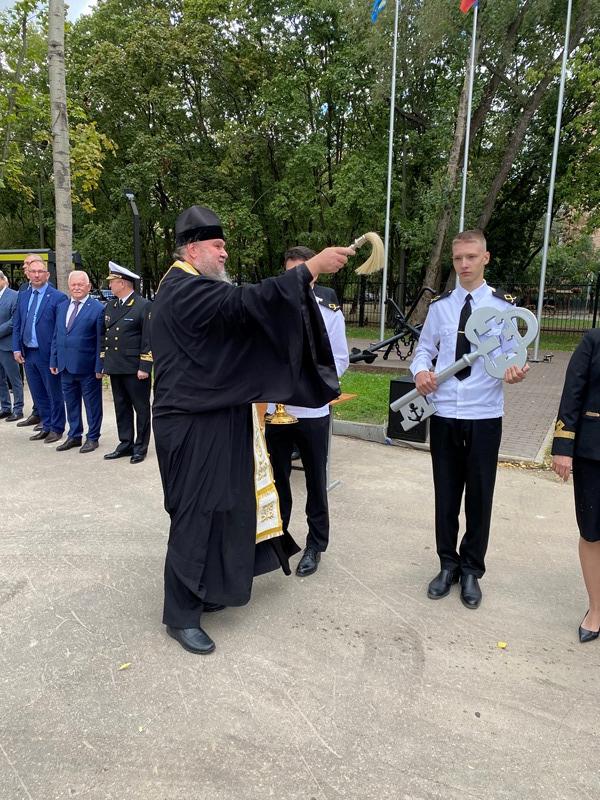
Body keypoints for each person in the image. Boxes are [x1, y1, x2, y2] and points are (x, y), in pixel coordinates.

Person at [151, 204, 354, 654]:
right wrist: (309, 271)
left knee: (221, 506)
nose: (225, 253)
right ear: (192, 248)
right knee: (194, 515)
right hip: (190, 425)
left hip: (216, 416)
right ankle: (180, 614)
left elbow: (236, 324)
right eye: (218, 246)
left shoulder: (196, 286)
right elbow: (245, 302)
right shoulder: (182, 288)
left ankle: (205, 588)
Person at [411, 229, 528, 609]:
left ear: (485, 258)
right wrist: (420, 371)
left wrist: (515, 372)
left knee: (479, 496)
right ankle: (447, 564)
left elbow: (513, 356)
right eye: (458, 258)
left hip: (484, 413)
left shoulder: (503, 307)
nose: (464, 264)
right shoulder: (441, 307)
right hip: (445, 412)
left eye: (471, 257)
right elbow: (424, 349)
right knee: (446, 494)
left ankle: (472, 570)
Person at [265, 246, 349, 578]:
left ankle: (315, 544)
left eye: (305, 270)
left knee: (316, 480)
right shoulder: (270, 306)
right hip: (276, 410)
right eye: (291, 272)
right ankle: (277, 538)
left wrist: (314, 386)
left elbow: (339, 358)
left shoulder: (328, 310)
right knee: (276, 480)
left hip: (312, 411)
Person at [551, 329, 600, 643]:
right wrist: (562, 448)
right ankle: (596, 609)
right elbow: (572, 394)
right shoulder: (594, 341)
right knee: (592, 531)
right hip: (593, 453)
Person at [100, 262, 152, 464]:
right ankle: (125, 443)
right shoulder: (111, 306)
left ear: (122, 283)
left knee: (141, 409)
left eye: (112, 282)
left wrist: (145, 366)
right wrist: (104, 362)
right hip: (116, 365)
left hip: (134, 368)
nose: (110, 286)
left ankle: (140, 447)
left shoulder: (142, 305)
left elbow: (148, 339)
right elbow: (104, 336)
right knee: (121, 407)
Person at [12, 255, 67, 443]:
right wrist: (16, 348)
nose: (36, 275)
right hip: (28, 353)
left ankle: (57, 428)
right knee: (38, 393)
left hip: (48, 354)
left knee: (54, 393)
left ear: (47, 275)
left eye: (40, 272)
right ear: (28, 274)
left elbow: (59, 331)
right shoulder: (23, 295)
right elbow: (17, 324)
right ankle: (46, 424)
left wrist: (55, 356)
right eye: (33, 272)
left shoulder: (58, 297)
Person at [50, 271, 104, 453]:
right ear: (69, 286)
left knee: (92, 405)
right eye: (73, 284)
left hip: (87, 367)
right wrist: (54, 360)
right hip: (65, 366)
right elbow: (57, 335)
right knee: (71, 403)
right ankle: (74, 435)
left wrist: (99, 366)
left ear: (89, 286)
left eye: (81, 284)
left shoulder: (97, 308)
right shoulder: (62, 307)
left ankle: (93, 437)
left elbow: (100, 341)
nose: (77, 287)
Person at [16, 256, 42, 428]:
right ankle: (37, 412)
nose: (25, 267)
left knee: (47, 388)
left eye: (29, 264)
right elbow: (18, 320)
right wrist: (17, 347)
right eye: (26, 266)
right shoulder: (24, 290)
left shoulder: (47, 290)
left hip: (43, 348)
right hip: (27, 348)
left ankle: (47, 419)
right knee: (34, 386)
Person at [0, 270, 24, 421]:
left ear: (3, 280)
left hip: (7, 345)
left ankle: (18, 408)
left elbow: (14, 321)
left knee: (14, 379)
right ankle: (5, 408)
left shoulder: (14, 296)